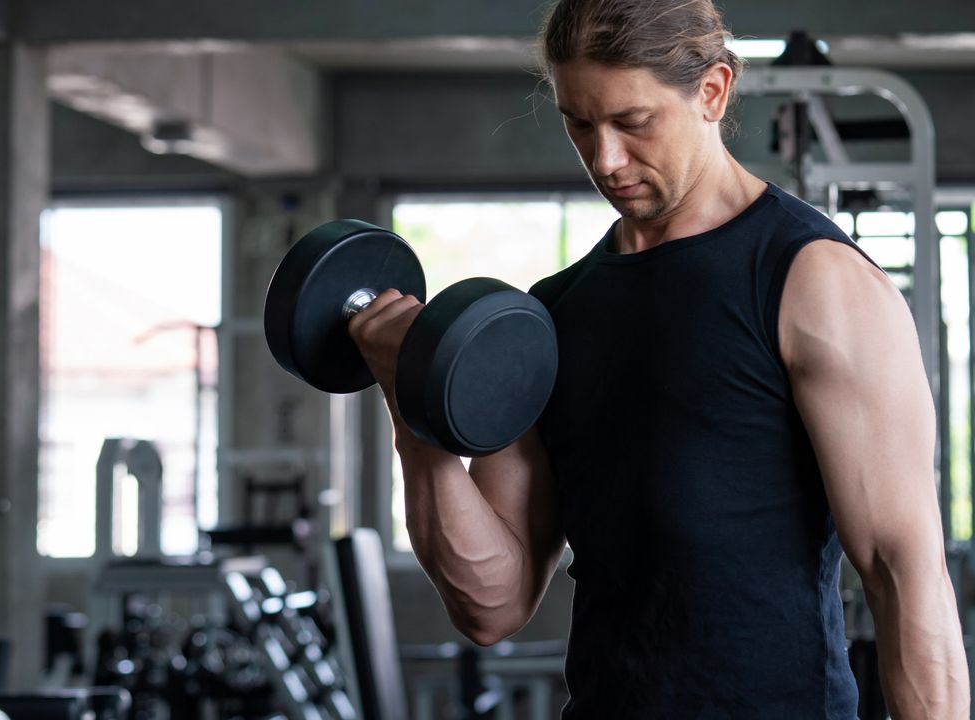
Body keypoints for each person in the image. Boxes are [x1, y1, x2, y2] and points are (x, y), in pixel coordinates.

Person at [346, 0, 970, 717]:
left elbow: (904, 572)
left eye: (632, 123)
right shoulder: (552, 313)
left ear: (713, 92)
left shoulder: (812, 281)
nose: (604, 159)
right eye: (579, 123)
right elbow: (493, 603)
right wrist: (411, 407)